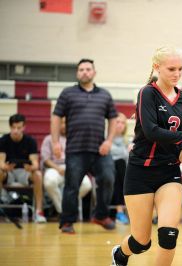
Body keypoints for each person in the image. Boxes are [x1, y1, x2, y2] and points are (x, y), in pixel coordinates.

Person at [111, 46, 182, 266]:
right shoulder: (147, 93)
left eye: (180, 69)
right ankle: (120, 254)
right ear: (156, 67)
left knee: (169, 234)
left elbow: (177, 139)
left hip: (169, 171)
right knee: (142, 241)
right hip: (140, 171)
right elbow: (151, 132)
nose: (176, 73)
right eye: (171, 68)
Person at [51, 58, 118, 234]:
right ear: (77, 73)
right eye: (81, 70)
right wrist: (55, 142)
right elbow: (56, 117)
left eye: (88, 69)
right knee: (72, 186)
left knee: (108, 179)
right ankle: (67, 221)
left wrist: (109, 141)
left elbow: (113, 118)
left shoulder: (105, 95)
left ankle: (101, 215)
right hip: (75, 150)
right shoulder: (67, 93)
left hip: (100, 150)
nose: (85, 72)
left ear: (94, 72)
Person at [41, 117, 92, 216]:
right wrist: (57, 168)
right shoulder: (49, 138)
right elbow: (45, 159)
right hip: (55, 168)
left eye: (66, 123)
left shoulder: (77, 139)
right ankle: (64, 210)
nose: (64, 125)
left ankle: (65, 207)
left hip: (74, 168)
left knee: (87, 184)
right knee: (49, 182)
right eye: (62, 123)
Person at [0, 114, 47, 223]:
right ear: (10, 127)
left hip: (25, 172)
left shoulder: (30, 141)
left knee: (38, 175)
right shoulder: (3, 140)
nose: (16, 131)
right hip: (9, 172)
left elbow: (35, 163)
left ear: (24, 127)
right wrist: (5, 166)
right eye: (13, 128)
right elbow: (1, 161)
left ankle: (39, 211)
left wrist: (31, 167)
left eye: (19, 128)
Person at [110, 112, 130, 224]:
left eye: (122, 123)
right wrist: (124, 152)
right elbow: (110, 152)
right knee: (120, 164)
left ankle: (121, 211)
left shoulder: (127, 141)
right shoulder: (106, 138)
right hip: (109, 170)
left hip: (124, 172)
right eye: (117, 122)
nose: (120, 125)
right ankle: (119, 211)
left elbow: (129, 156)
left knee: (122, 166)